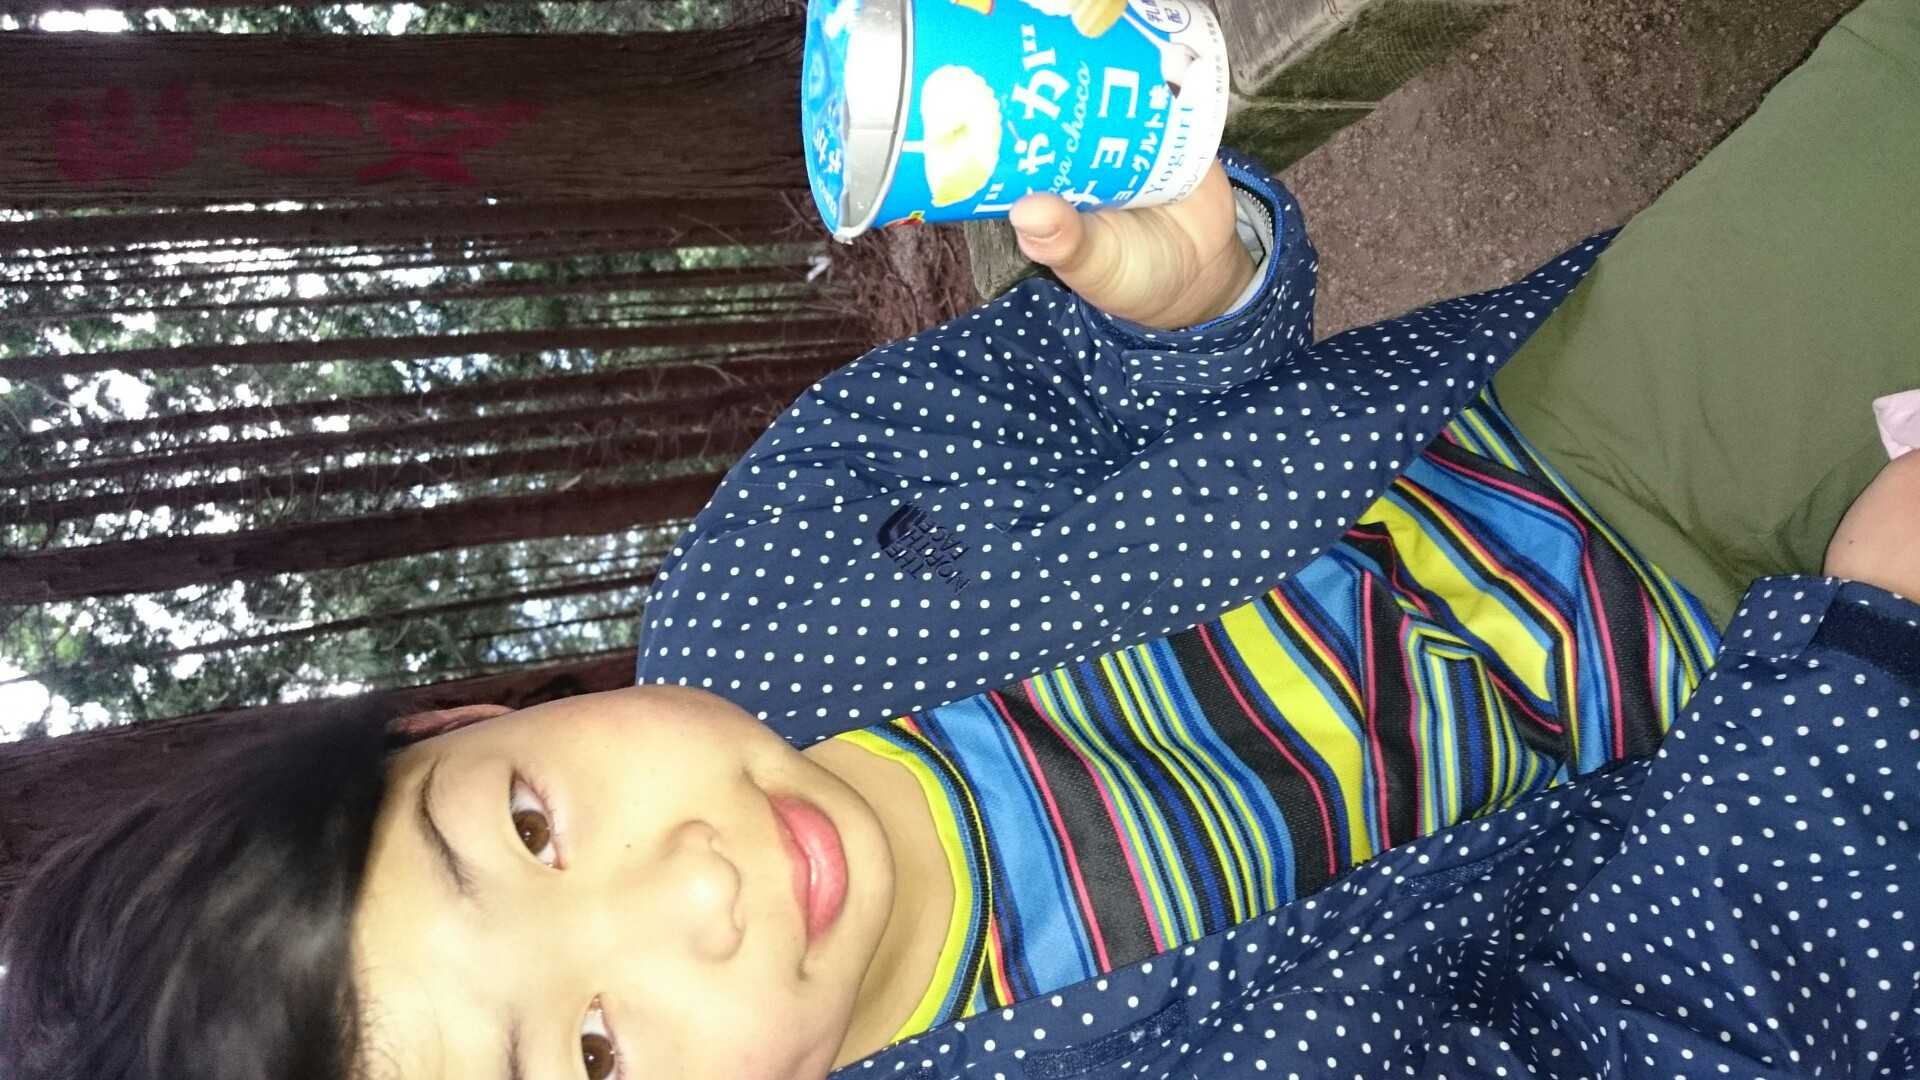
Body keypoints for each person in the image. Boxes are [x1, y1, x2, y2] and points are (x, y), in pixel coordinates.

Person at [4, 1, 1917, 1077]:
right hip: (1788, 815)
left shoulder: (769, 579)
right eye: (587, 1055)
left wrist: (1190, 295)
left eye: (524, 824)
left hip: (1576, 442)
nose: (697, 893)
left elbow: (1103, 374)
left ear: (454, 726)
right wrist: (1857, 691)